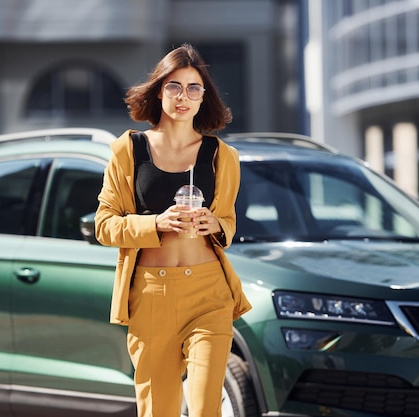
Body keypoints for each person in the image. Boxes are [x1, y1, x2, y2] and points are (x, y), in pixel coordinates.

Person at [95, 43, 252, 417]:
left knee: (204, 408)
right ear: (159, 91)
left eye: (193, 88)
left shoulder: (221, 156)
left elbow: (228, 222)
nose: (184, 96)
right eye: (174, 87)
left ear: (204, 97)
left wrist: (215, 224)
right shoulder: (128, 150)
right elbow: (104, 224)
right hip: (152, 294)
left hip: (209, 293)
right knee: (159, 409)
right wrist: (156, 223)